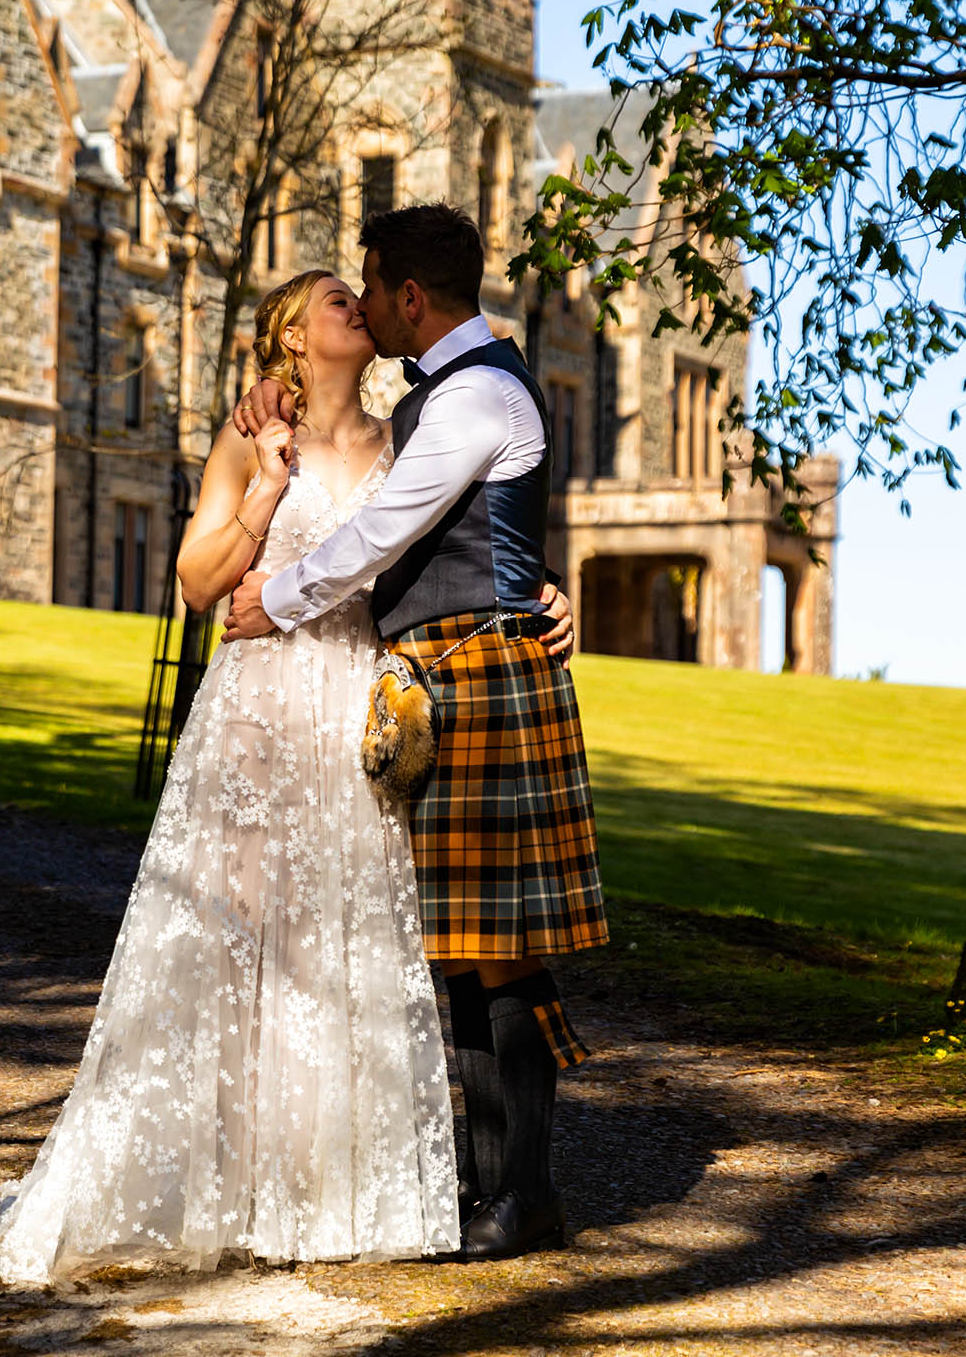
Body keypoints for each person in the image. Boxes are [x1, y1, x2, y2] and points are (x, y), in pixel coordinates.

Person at [0, 267, 575, 1285]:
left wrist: (545, 591)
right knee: (233, 934)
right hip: (258, 705)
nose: (357, 309)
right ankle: (218, 1180)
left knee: (351, 940)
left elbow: (465, 535)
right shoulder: (247, 436)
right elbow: (196, 583)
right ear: (290, 332)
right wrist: (268, 489)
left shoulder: (408, 433)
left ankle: (329, 1190)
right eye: (336, 299)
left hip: (364, 706)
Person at [222, 203, 606, 1263]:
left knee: (498, 951)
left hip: (482, 676)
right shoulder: (450, 391)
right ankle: (493, 1187)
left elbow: (389, 529)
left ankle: (521, 1192)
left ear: (408, 296)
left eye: (370, 284)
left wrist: (279, 597)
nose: (364, 303)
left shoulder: (475, 391)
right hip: (455, 673)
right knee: (470, 947)